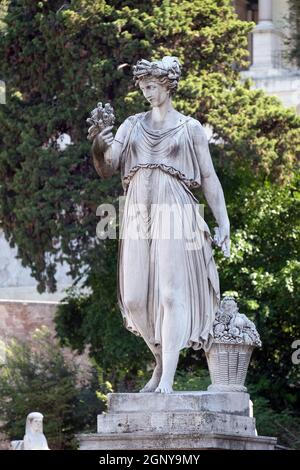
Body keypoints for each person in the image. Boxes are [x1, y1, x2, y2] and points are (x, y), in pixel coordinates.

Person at [90, 56, 230, 393]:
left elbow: (209, 176)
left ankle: (167, 377)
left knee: (170, 294)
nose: (147, 93)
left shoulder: (190, 128)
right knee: (135, 297)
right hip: (138, 209)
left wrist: (222, 222)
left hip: (176, 208)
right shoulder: (131, 125)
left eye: (152, 86)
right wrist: (97, 145)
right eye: (143, 88)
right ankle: (159, 360)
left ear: (167, 84)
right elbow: (107, 167)